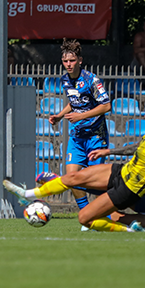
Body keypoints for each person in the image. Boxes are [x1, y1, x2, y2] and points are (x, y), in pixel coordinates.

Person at [4, 95, 145, 232]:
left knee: (84, 218)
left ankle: (129, 231)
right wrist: (108, 151)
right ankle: (27, 194)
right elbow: (139, 147)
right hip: (122, 171)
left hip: (131, 188)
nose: (144, 115)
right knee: (74, 176)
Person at [50, 39, 111, 216]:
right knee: (71, 178)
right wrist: (60, 116)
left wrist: (81, 116)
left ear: (80, 60)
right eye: (65, 61)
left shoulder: (92, 80)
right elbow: (75, 101)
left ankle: (107, 213)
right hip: (77, 137)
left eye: (72, 60)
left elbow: (106, 105)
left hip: (95, 137)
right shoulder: (65, 79)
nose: (68, 64)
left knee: (97, 182)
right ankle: (86, 213)